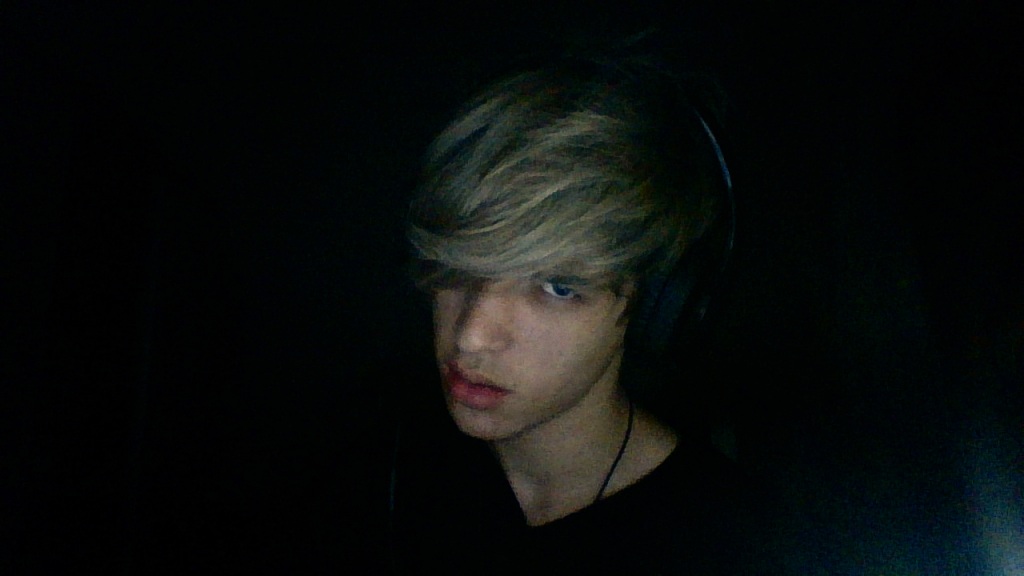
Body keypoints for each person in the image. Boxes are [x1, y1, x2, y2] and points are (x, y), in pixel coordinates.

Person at [387, 46, 783, 574]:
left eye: (557, 287)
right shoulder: (387, 450)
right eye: (458, 264)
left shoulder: (738, 546)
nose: (472, 336)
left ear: (653, 306)